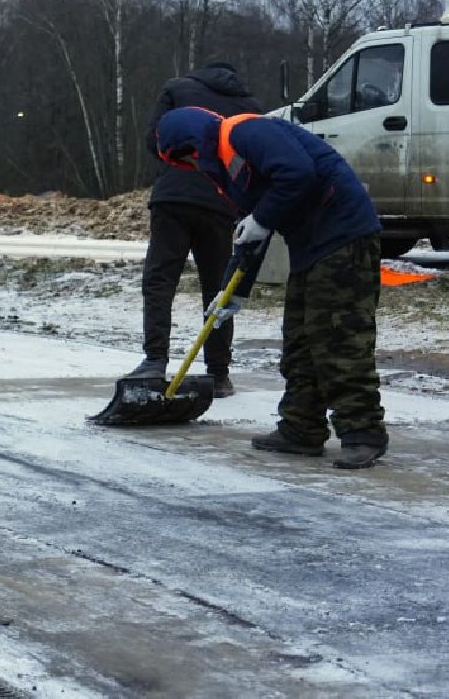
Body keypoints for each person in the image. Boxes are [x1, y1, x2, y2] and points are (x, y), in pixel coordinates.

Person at [156, 106, 389, 470]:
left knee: (337, 338)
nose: (195, 166)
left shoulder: (244, 132)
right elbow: (251, 231)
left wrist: (262, 219)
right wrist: (232, 291)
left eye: (189, 156)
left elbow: (298, 174)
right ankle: (301, 429)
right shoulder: (231, 169)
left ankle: (363, 432)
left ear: (194, 140)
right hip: (311, 245)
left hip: (344, 235)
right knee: (299, 339)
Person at [133, 62, 264, 397]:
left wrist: (180, 161)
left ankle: (155, 361)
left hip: (173, 196)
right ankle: (219, 374)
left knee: (161, 279)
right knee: (218, 288)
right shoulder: (251, 107)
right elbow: (253, 159)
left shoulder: (177, 89)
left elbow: (154, 140)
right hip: (221, 202)